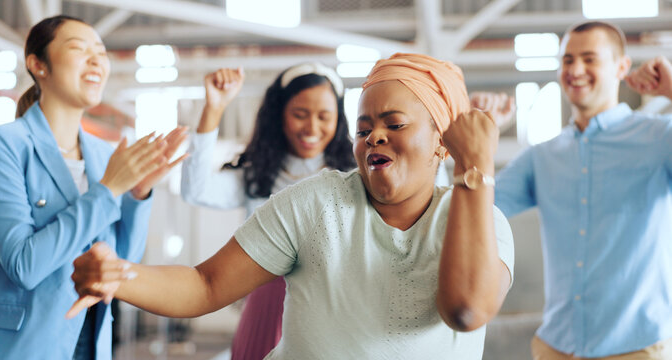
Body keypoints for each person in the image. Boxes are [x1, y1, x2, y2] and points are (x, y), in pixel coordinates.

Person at [67, 53, 514, 359]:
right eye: (363, 130)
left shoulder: (478, 218)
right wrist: (121, 276)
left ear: (441, 141)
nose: (374, 136)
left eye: (394, 124)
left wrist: (475, 168)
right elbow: (205, 284)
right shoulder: (316, 202)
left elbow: (466, 310)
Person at [0, 15, 187, 360]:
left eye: (101, 51)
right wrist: (109, 190)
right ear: (38, 65)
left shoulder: (104, 155)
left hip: (92, 342)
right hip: (25, 346)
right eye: (79, 49)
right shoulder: (3, 145)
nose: (97, 59)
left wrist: (137, 194)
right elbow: (24, 266)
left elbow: (122, 266)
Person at [494, 21, 672, 359]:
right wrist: (476, 139)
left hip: (639, 348)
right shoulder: (541, 156)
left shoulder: (660, 138)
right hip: (557, 348)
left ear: (622, 67)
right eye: (567, 60)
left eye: (590, 59)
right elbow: (474, 208)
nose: (575, 70)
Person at [180, 63, 355, 359]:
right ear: (280, 116)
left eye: (324, 116)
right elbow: (194, 190)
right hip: (266, 311)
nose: (312, 128)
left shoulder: (353, 177)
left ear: (338, 120)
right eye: (300, 114)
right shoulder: (257, 177)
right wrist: (215, 107)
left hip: (336, 311)